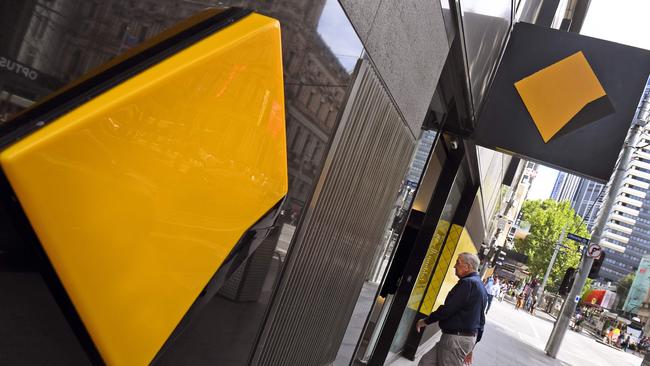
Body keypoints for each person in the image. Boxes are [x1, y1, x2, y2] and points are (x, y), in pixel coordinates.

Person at [415, 253, 488, 366]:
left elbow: (448, 309)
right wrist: (472, 345)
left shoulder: (467, 283)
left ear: (467, 267)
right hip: (457, 339)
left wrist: (425, 321)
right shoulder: (480, 286)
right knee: (426, 362)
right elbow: (481, 320)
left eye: (458, 263)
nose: (454, 266)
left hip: (455, 341)